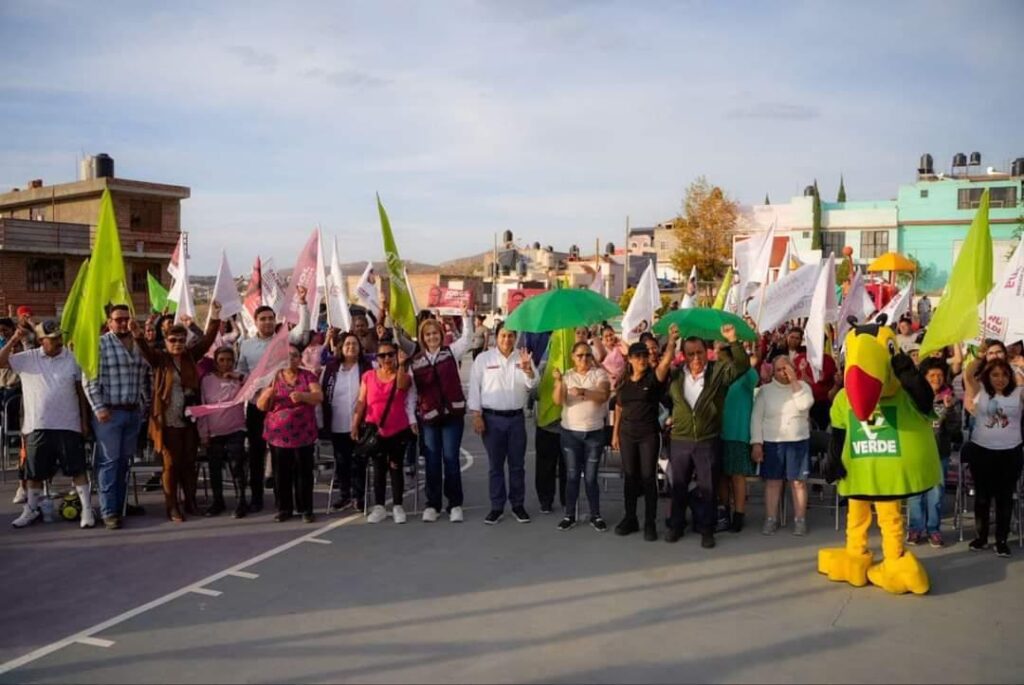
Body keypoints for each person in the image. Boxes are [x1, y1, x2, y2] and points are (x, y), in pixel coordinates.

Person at [1, 321, 94, 529]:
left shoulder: (72, 358)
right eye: (53, 339)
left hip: (68, 424)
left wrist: (84, 421)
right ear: (42, 340)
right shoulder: (28, 358)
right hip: (37, 425)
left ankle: (87, 509)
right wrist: (14, 340)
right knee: (34, 472)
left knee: (77, 469)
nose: (59, 341)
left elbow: (81, 392)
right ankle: (31, 509)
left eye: (60, 337)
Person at [665, 324, 750, 548]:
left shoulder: (718, 371)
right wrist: (671, 342)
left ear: (707, 352)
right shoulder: (675, 376)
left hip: (707, 440)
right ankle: (676, 526)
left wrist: (733, 340)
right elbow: (659, 380)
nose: (696, 358)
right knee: (679, 486)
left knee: (708, 488)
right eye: (691, 353)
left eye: (700, 352)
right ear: (683, 355)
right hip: (680, 440)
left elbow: (742, 366)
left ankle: (707, 530)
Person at [133, 305, 220, 521]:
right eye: (173, 340)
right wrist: (138, 335)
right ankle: (172, 506)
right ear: (166, 340)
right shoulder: (160, 359)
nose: (178, 344)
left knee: (189, 463)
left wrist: (215, 317)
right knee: (170, 465)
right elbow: (145, 350)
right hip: (167, 421)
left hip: (189, 420)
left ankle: (190, 502)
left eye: (181, 340)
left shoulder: (191, 356)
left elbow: (208, 340)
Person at [237, 290, 310, 513]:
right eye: (263, 318)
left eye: (271, 318)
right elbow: (242, 372)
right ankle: (257, 498)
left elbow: (302, 331)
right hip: (256, 407)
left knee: (280, 456)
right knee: (256, 455)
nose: (267, 322)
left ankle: (282, 502)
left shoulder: (283, 342)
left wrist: (303, 303)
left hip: (280, 408)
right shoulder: (246, 345)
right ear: (256, 321)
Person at [84, 304, 148, 530]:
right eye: (118, 319)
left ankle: (120, 505)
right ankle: (108, 511)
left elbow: (147, 375)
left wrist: (144, 406)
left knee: (124, 462)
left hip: (132, 412)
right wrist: (99, 408)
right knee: (109, 462)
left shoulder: (139, 346)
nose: (122, 323)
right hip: (109, 413)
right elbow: (89, 380)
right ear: (109, 322)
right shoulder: (100, 345)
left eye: (125, 319)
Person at [467, 326, 537, 525]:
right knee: (495, 466)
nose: (507, 339)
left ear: (515, 338)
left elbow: (533, 385)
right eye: (503, 335)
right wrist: (476, 415)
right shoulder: (484, 359)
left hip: (516, 419)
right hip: (491, 420)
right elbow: (474, 388)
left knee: (517, 466)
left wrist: (528, 370)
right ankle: (496, 507)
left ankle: (518, 505)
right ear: (496, 337)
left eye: (511, 336)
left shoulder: (523, 357)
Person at [611, 330, 677, 540]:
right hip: (627, 434)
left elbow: (666, 363)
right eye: (637, 356)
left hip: (648, 434)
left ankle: (650, 522)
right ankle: (630, 518)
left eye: (644, 356)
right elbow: (619, 408)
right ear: (629, 360)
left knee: (649, 478)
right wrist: (615, 434)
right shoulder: (623, 382)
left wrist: (672, 342)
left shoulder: (653, 378)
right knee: (630, 478)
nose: (642, 359)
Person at [411, 313, 472, 522]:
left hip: (452, 416)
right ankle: (433, 504)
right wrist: (412, 418)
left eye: (435, 333)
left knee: (451, 459)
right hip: (429, 418)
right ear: (422, 337)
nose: (431, 337)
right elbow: (412, 392)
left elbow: (467, 339)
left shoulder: (451, 352)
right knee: (432, 461)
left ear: (440, 334)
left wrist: (467, 317)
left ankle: (454, 504)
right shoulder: (416, 361)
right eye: (427, 334)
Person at [256, 344, 322, 523]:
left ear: (300, 359)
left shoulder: (307, 376)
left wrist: (303, 396)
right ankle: (284, 508)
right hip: (278, 435)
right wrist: (267, 394)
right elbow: (261, 406)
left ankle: (305, 509)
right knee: (280, 473)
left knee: (304, 473)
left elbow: (319, 396)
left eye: (294, 356)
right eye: (286, 356)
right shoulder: (273, 377)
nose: (290, 359)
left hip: (303, 433)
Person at [352, 340, 416, 524]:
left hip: (398, 429)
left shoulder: (402, 374)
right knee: (378, 468)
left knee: (395, 467)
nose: (386, 358)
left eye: (390, 354)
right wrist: (355, 424)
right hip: (375, 429)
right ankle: (379, 507)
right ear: (377, 358)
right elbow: (361, 402)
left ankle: (398, 506)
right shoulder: (368, 376)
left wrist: (402, 364)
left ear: (396, 356)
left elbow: (403, 385)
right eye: (382, 355)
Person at [963, 359, 1022, 558]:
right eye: (995, 375)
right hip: (981, 451)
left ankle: (1001, 540)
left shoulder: (1018, 393)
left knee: (1005, 498)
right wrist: (979, 357)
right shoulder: (981, 391)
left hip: (1010, 452)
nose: (1000, 379)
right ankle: (981, 537)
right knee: (982, 497)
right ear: (988, 376)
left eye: (1004, 375)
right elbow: (968, 375)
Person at [751, 354, 815, 536]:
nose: (783, 372)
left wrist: (794, 382)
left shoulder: (803, 387)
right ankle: (771, 519)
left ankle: (800, 520)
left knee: (798, 483)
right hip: (773, 442)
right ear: (773, 371)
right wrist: (756, 443)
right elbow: (756, 419)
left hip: (798, 441)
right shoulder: (765, 390)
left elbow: (804, 405)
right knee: (773, 483)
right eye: (779, 369)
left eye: (786, 368)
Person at [551, 342, 611, 531]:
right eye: (579, 355)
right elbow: (558, 400)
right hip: (570, 433)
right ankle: (570, 514)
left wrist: (584, 392)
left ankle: (596, 514)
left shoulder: (599, 374)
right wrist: (559, 381)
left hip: (594, 433)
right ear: (572, 357)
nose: (584, 359)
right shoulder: (567, 375)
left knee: (591, 477)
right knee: (572, 475)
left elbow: (603, 394)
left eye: (587, 355)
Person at [905, 359, 960, 547]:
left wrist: (950, 409)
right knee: (915, 495)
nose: (936, 379)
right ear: (924, 378)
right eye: (931, 376)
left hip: (939, 455)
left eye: (939, 375)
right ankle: (915, 529)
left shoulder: (949, 398)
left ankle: (933, 530)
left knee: (936, 495)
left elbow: (955, 429)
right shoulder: (912, 399)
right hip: (916, 455)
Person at [320, 331, 372, 512]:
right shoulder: (332, 368)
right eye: (347, 344)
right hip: (337, 423)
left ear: (360, 347)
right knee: (341, 461)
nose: (351, 347)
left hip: (361, 423)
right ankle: (344, 495)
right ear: (340, 348)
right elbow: (323, 393)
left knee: (359, 461)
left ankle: (359, 496)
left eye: (354, 344)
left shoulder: (366, 366)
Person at [198, 346, 248, 518]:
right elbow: (203, 407)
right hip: (214, 432)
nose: (226, 364)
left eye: (229, 360)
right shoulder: (207, 380)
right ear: (215, 362)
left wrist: (238, 376)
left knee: (237, 465)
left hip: (236, 429)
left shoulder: (239, 378)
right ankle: (218, 501)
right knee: (215, 468)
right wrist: (204, 433)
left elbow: (255, 386)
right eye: (222, 360)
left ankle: (241, 501)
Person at [718, 348, 759, 533]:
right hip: (718, 431)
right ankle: (724, 511)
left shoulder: (746, 374)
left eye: (723, 356)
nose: (720, 359)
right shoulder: (718, 373)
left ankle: (739, 514)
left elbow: (755, 380)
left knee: (737, 475)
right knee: (722, 476)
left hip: (738, 432)